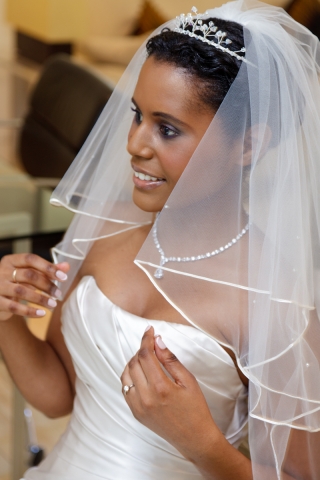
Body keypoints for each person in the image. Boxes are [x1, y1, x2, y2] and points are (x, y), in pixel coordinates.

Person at [0, 0, 319, 478]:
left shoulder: (276, 299)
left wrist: (201, 443)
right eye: (137, 115)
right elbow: (56, 394)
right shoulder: (106, 225)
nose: (134, 144)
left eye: (167, 129)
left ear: (249, 144)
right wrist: (5, 315)